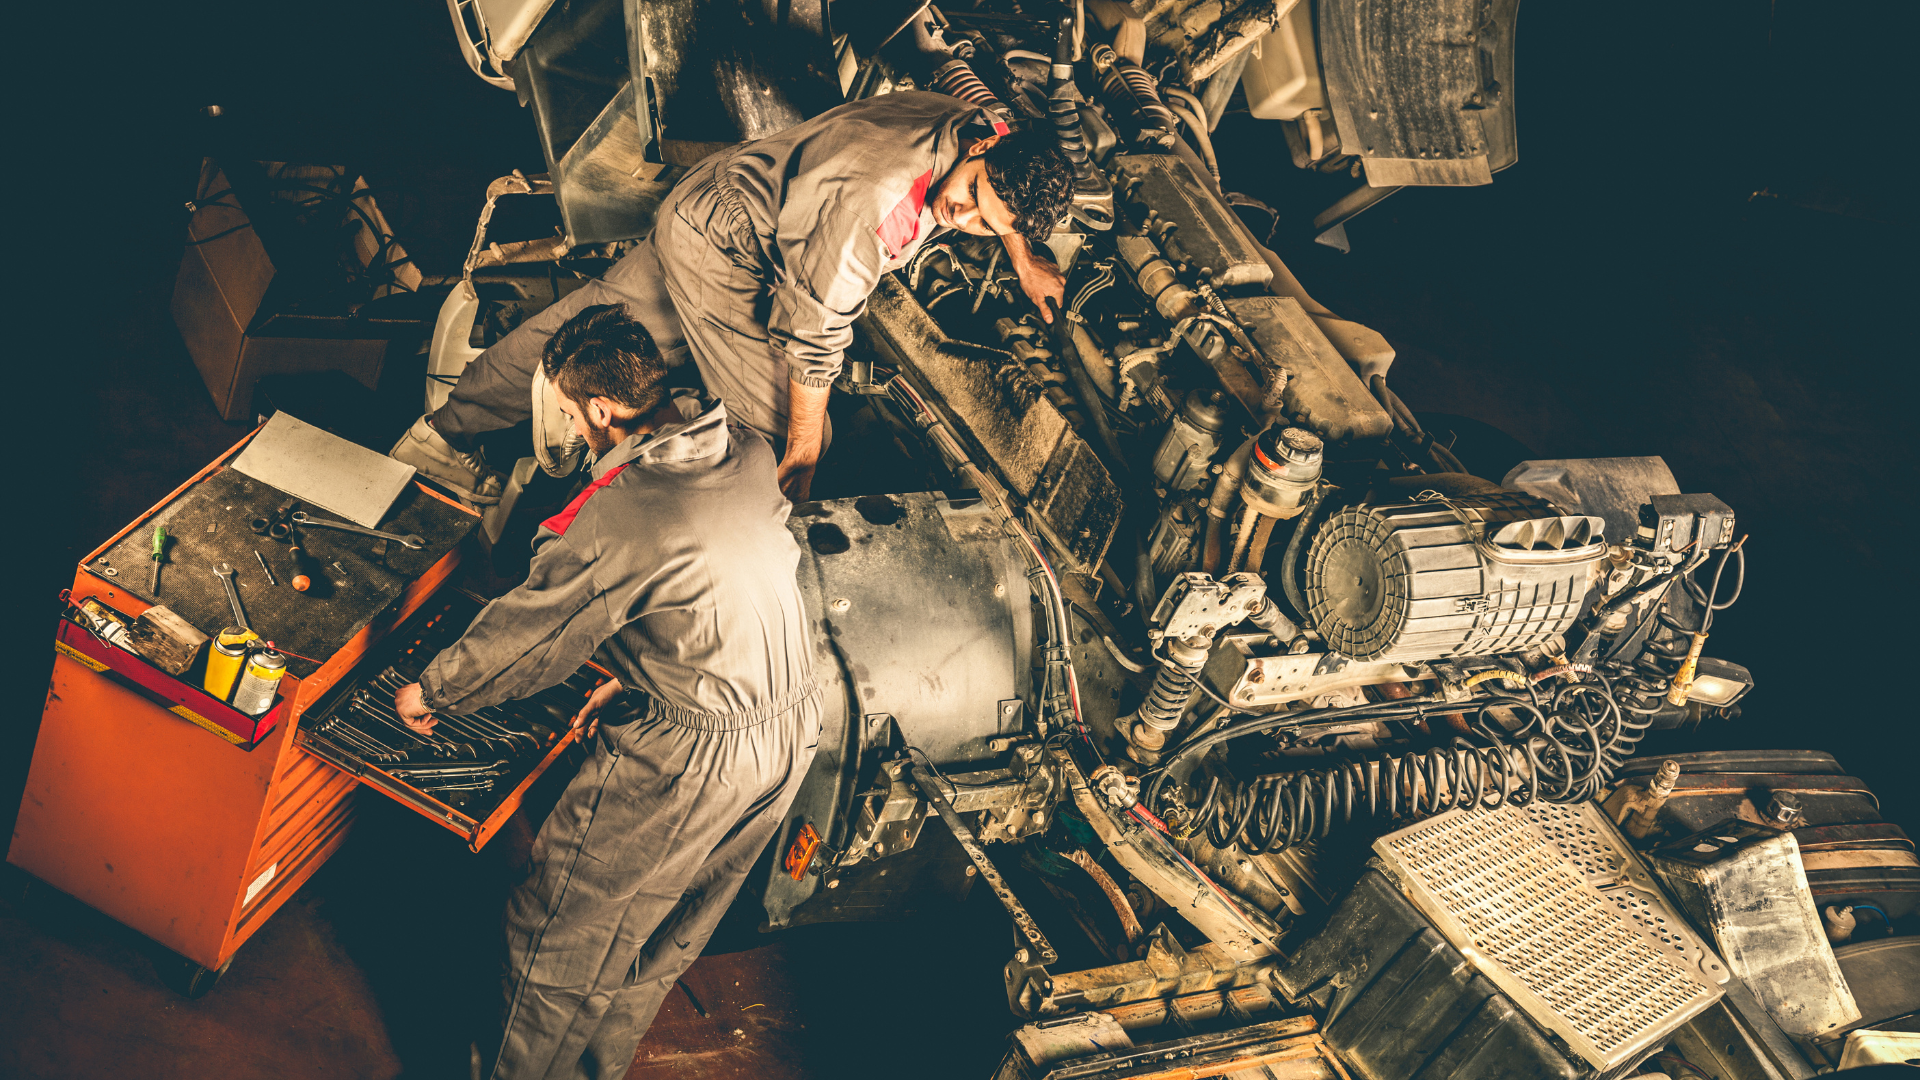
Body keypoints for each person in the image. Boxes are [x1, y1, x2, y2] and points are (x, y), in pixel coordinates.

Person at [391, 303, 821, 1079]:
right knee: (661, 936)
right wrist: (637, 676)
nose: (566, 427)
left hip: (695, 758)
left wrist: (435, 689)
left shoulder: (623, 511)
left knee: (557, 938)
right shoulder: (741, 447)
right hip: (790, 717)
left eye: (564, 411)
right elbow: (710, 584)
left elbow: (534, 635)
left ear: (597, 408)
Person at [392, 90, 1075, 504]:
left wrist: (1022, 258)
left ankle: (443, 434)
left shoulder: (971, 126)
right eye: (972, 199)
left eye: (990, 223)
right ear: (982, 147)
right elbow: (814, 343)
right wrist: (802, 455)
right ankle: (628, 508)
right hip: (726, 249)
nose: (965, 217)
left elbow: (998, 194)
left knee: (591, 322)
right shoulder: (880, 206)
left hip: (718, 199)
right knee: (790, 431)